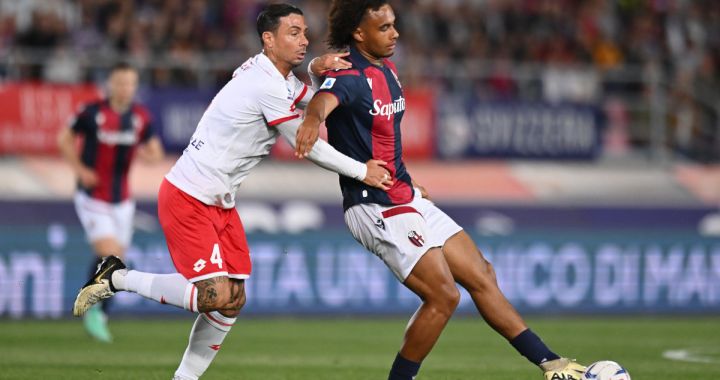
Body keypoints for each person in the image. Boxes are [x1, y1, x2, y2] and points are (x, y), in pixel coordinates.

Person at [71, 3, 391, 379]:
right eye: (294, 33)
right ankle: (115, 277)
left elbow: (306, 97)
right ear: (268, 40)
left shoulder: (276, 76)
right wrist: (362, 171)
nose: (304, 40)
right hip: (188, 195)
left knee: (232, 301)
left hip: (220, 202)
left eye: (305, 32)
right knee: (212, 296)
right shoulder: (265, 84)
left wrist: (314, 70)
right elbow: (308, 145)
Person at [295, 1, 587, 380]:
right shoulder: (349, 74)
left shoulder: (389, 69)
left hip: (403, 194)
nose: (395, 33)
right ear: (359, 33)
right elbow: (322, 101)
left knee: (482, 273)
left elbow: (383, 139)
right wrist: (311, 121)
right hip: (374, 205)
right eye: (384, 27)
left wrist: (407, 178)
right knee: (443, 296)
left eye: (394, 25)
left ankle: (553, 365)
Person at [58, 62, 165, 343]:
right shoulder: (92, 112)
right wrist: (81, 170)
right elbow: (64, 139)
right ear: (110, 84)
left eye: (130, 83)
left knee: (117, 261)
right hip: (93, 196)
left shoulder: (140, 117)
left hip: (122, 199)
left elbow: (155, 150)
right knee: (109, 254)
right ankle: (93, 310)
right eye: (120, 82)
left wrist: (148, 154)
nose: (125, 88)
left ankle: (99, 311)